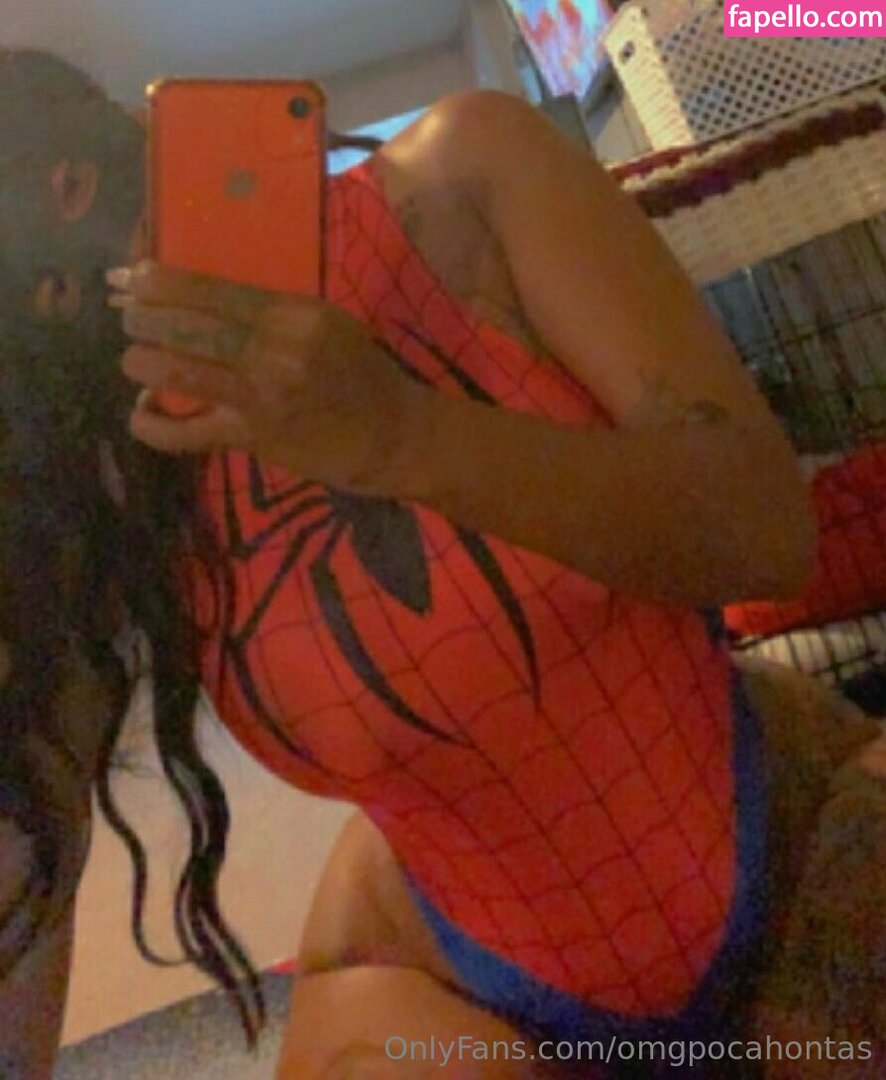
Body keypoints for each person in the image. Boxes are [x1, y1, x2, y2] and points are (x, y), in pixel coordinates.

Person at [0, 48, 882, 1079]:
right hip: (454, 973)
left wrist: (401, 435)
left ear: (65, 192)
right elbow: (31, 843)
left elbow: (767, 532)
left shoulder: (463, 177)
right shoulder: (112, 476)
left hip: (789, 831)